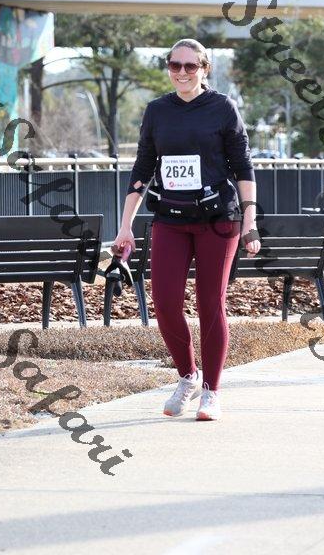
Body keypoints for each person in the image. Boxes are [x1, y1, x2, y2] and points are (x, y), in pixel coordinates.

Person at [111, 38, 261, 421]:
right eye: (174, 65)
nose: (181, 72)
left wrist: (250, 221)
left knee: (210, 304)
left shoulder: (223, 108)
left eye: (190, 66)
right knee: (164, 304)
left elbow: (243, 166)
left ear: (204, 69)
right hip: (171, 220)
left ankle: (211, 391)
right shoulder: (157, 111)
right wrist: (125, 226)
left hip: (218, 220)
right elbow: (142, 168)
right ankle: (187, 375)